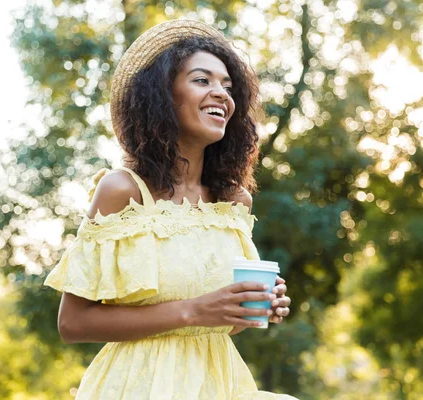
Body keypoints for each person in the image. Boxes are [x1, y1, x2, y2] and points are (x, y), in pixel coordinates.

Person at [44, 19, 296, 399]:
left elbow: (221, 324)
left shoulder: (233, 203)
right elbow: (73, 323)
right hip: (140, 386)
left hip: (220, 384)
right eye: (202, 81)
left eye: (228, 87)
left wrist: (246, 308)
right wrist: (195, 310)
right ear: (163, 95)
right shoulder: (123, 190)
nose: (221, 95)